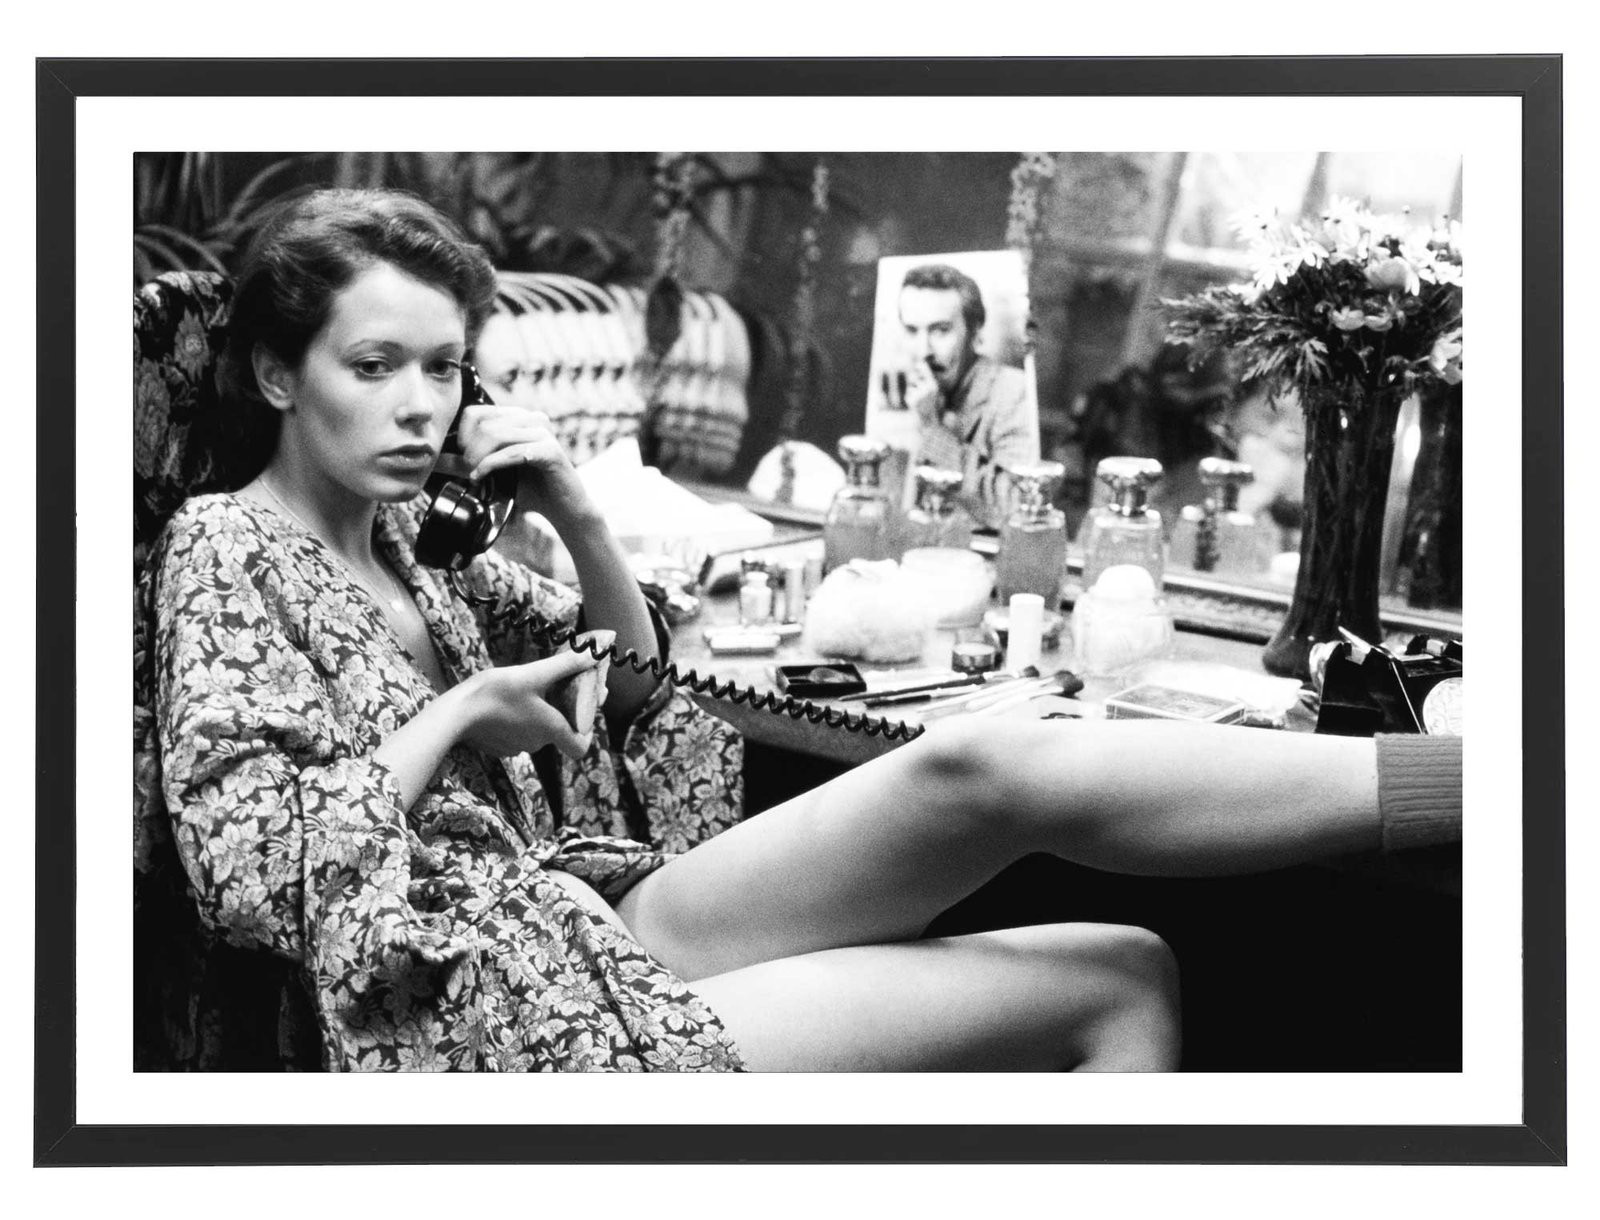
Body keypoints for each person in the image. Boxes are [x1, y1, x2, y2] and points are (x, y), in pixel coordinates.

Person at [140, 188, 1461, 1074]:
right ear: (278, 372)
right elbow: (247, 874)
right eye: (375, 366)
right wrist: (459, 712)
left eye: (443, 368)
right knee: (1123, 979)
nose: (420, 406)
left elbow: (630, 689)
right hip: (468, 1008)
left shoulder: (407, 549)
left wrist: (575, 513)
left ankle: (1476, 784)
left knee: (984, 763)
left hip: (575, 912)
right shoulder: (224, 545)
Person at [891, 262, 1040, 527]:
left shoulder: (1014, 392)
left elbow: (1014, 506)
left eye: (941, 330)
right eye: (912, 330)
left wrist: (931, 429)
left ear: (975, 330)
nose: (923, 350)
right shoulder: (921, 394)